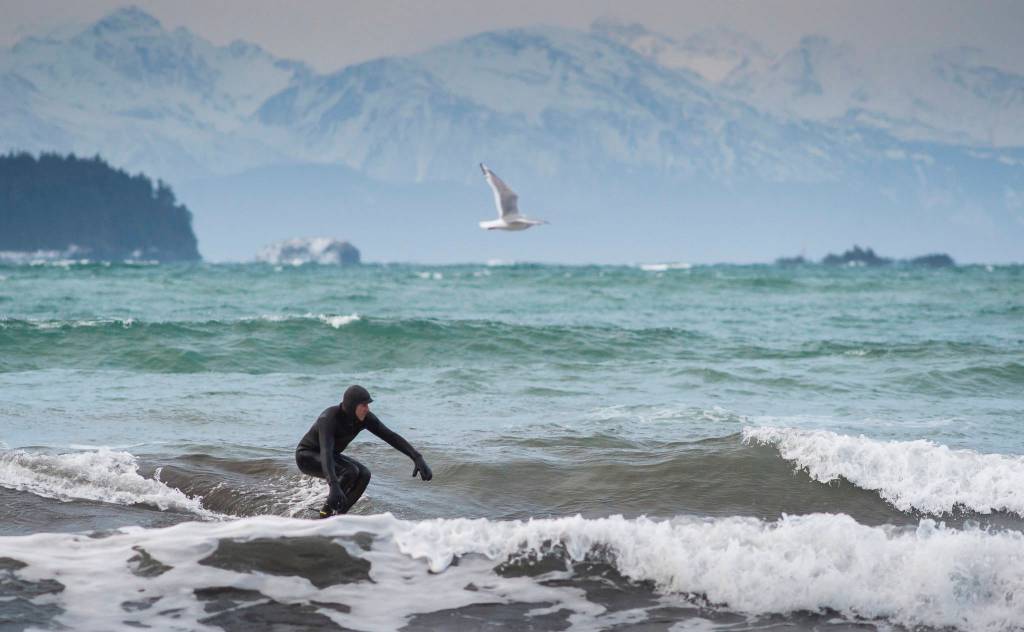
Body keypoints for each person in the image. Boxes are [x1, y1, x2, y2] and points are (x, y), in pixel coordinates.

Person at [295, 385, 432, 517]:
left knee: (364, 474)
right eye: (364, 405)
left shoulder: (365, 419)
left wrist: (416, 457)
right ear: (352, 406)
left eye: (368, 404)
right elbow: (326, 452)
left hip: (330, 456)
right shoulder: (329, 418)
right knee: (350, 471)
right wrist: (334, 485)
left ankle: (339, 516)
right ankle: (325, 514)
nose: (367, 409)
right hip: (306, 456)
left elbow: (390, 436)